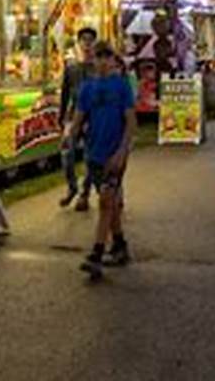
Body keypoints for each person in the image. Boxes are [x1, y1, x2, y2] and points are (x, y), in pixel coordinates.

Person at [63, 41, 137, 279]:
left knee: (105, 202)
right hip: (94, 152)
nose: (103, 61)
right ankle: (119, 244)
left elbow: (131, 121)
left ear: (114, 60)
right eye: (99, 56)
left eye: (108, 56)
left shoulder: (122, 86)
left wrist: (123, 151)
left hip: (115, 154)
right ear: (92, 60)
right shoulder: (87, 88)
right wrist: (70, 137)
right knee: (110, 203)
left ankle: (96, 254)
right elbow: (79, 117)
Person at [58, 27, 99, 211]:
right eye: (83, 40)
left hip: (93, 116)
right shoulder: (71, 68)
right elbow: (65, 93)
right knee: (67, 153)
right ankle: (72, 187)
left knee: (90, 156)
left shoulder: (99, 68)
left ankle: (85, 193)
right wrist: (61, 117)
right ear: (79, 43)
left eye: (90, 40)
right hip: (73, 115)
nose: (87, 44)